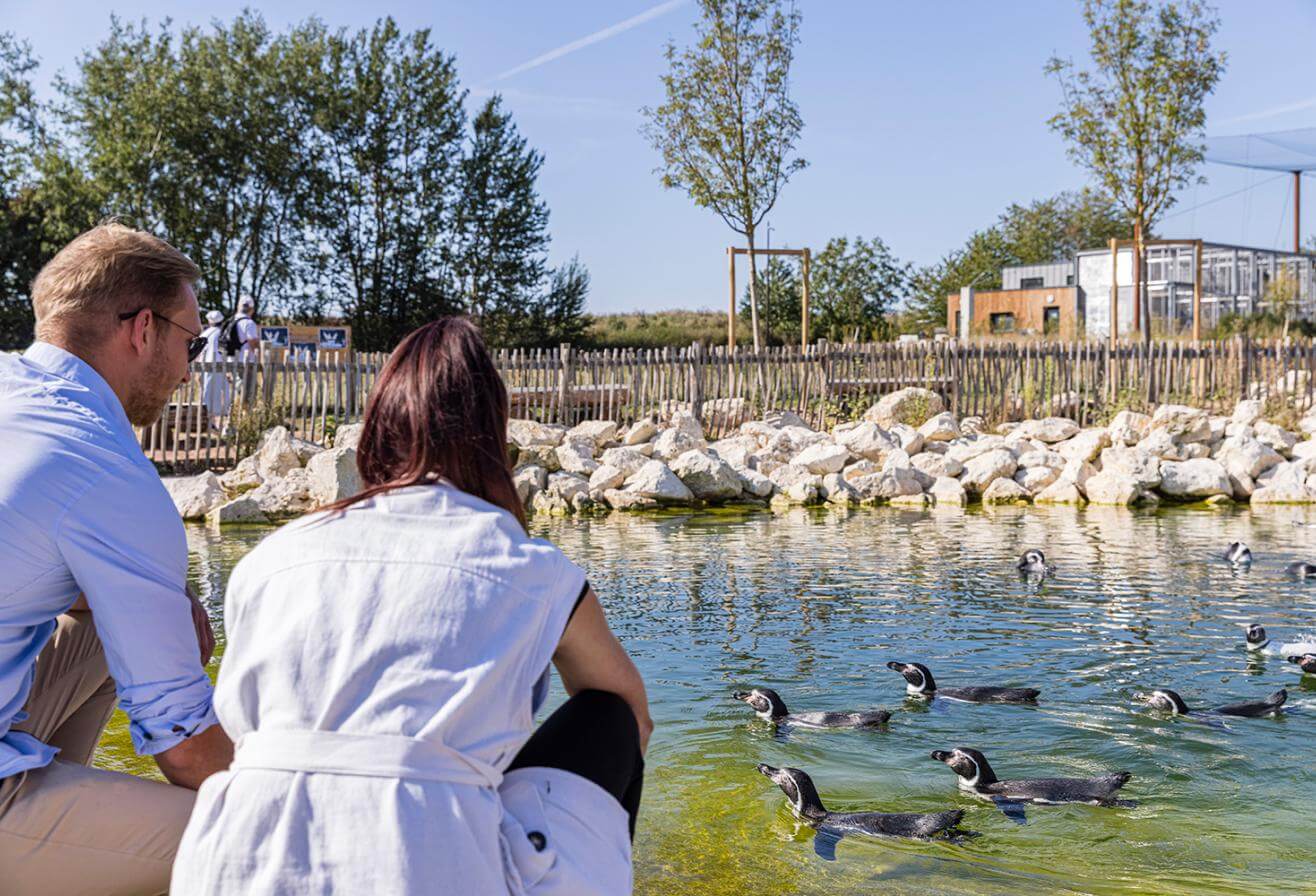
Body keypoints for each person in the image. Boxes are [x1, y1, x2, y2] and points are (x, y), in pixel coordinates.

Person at [172, 317, 652, 895]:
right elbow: (629, 712)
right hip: (416, 863)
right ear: (493, 435)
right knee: (608, 714)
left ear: (376, 430)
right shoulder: (529, 566)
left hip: (229, 864)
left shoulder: (268, 558)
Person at [0, 223, 235, 895]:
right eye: (188, 341)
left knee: (112, 621)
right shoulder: (104, 468)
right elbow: (185, 750)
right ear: (141, 330)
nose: (190, 370)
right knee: (253, 840)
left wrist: (157, 602)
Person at [199, 309, 232, 423]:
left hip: (206, 366)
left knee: (207, 393)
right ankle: (220, 419)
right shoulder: (222, 333)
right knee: (223, 393)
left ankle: (208, 418)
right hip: (220, 366)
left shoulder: (204, 333)